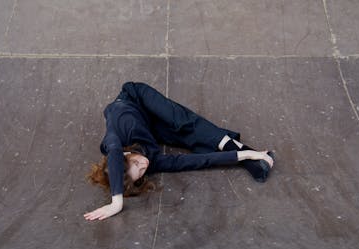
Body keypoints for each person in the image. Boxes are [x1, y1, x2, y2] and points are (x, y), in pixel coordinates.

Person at [84, 82, 275, 221]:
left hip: (137, 98)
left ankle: (233, 145)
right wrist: (247, 155)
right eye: (141, 172)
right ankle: (246, 155)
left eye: (136, 163)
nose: (144, 165)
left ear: (126, 155)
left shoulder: (114, 138)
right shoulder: (152, 161)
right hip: (150, 126)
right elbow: (196, 161)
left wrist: (116, 202)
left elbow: (115, 154)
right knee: (187, 139)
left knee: (181, 121)